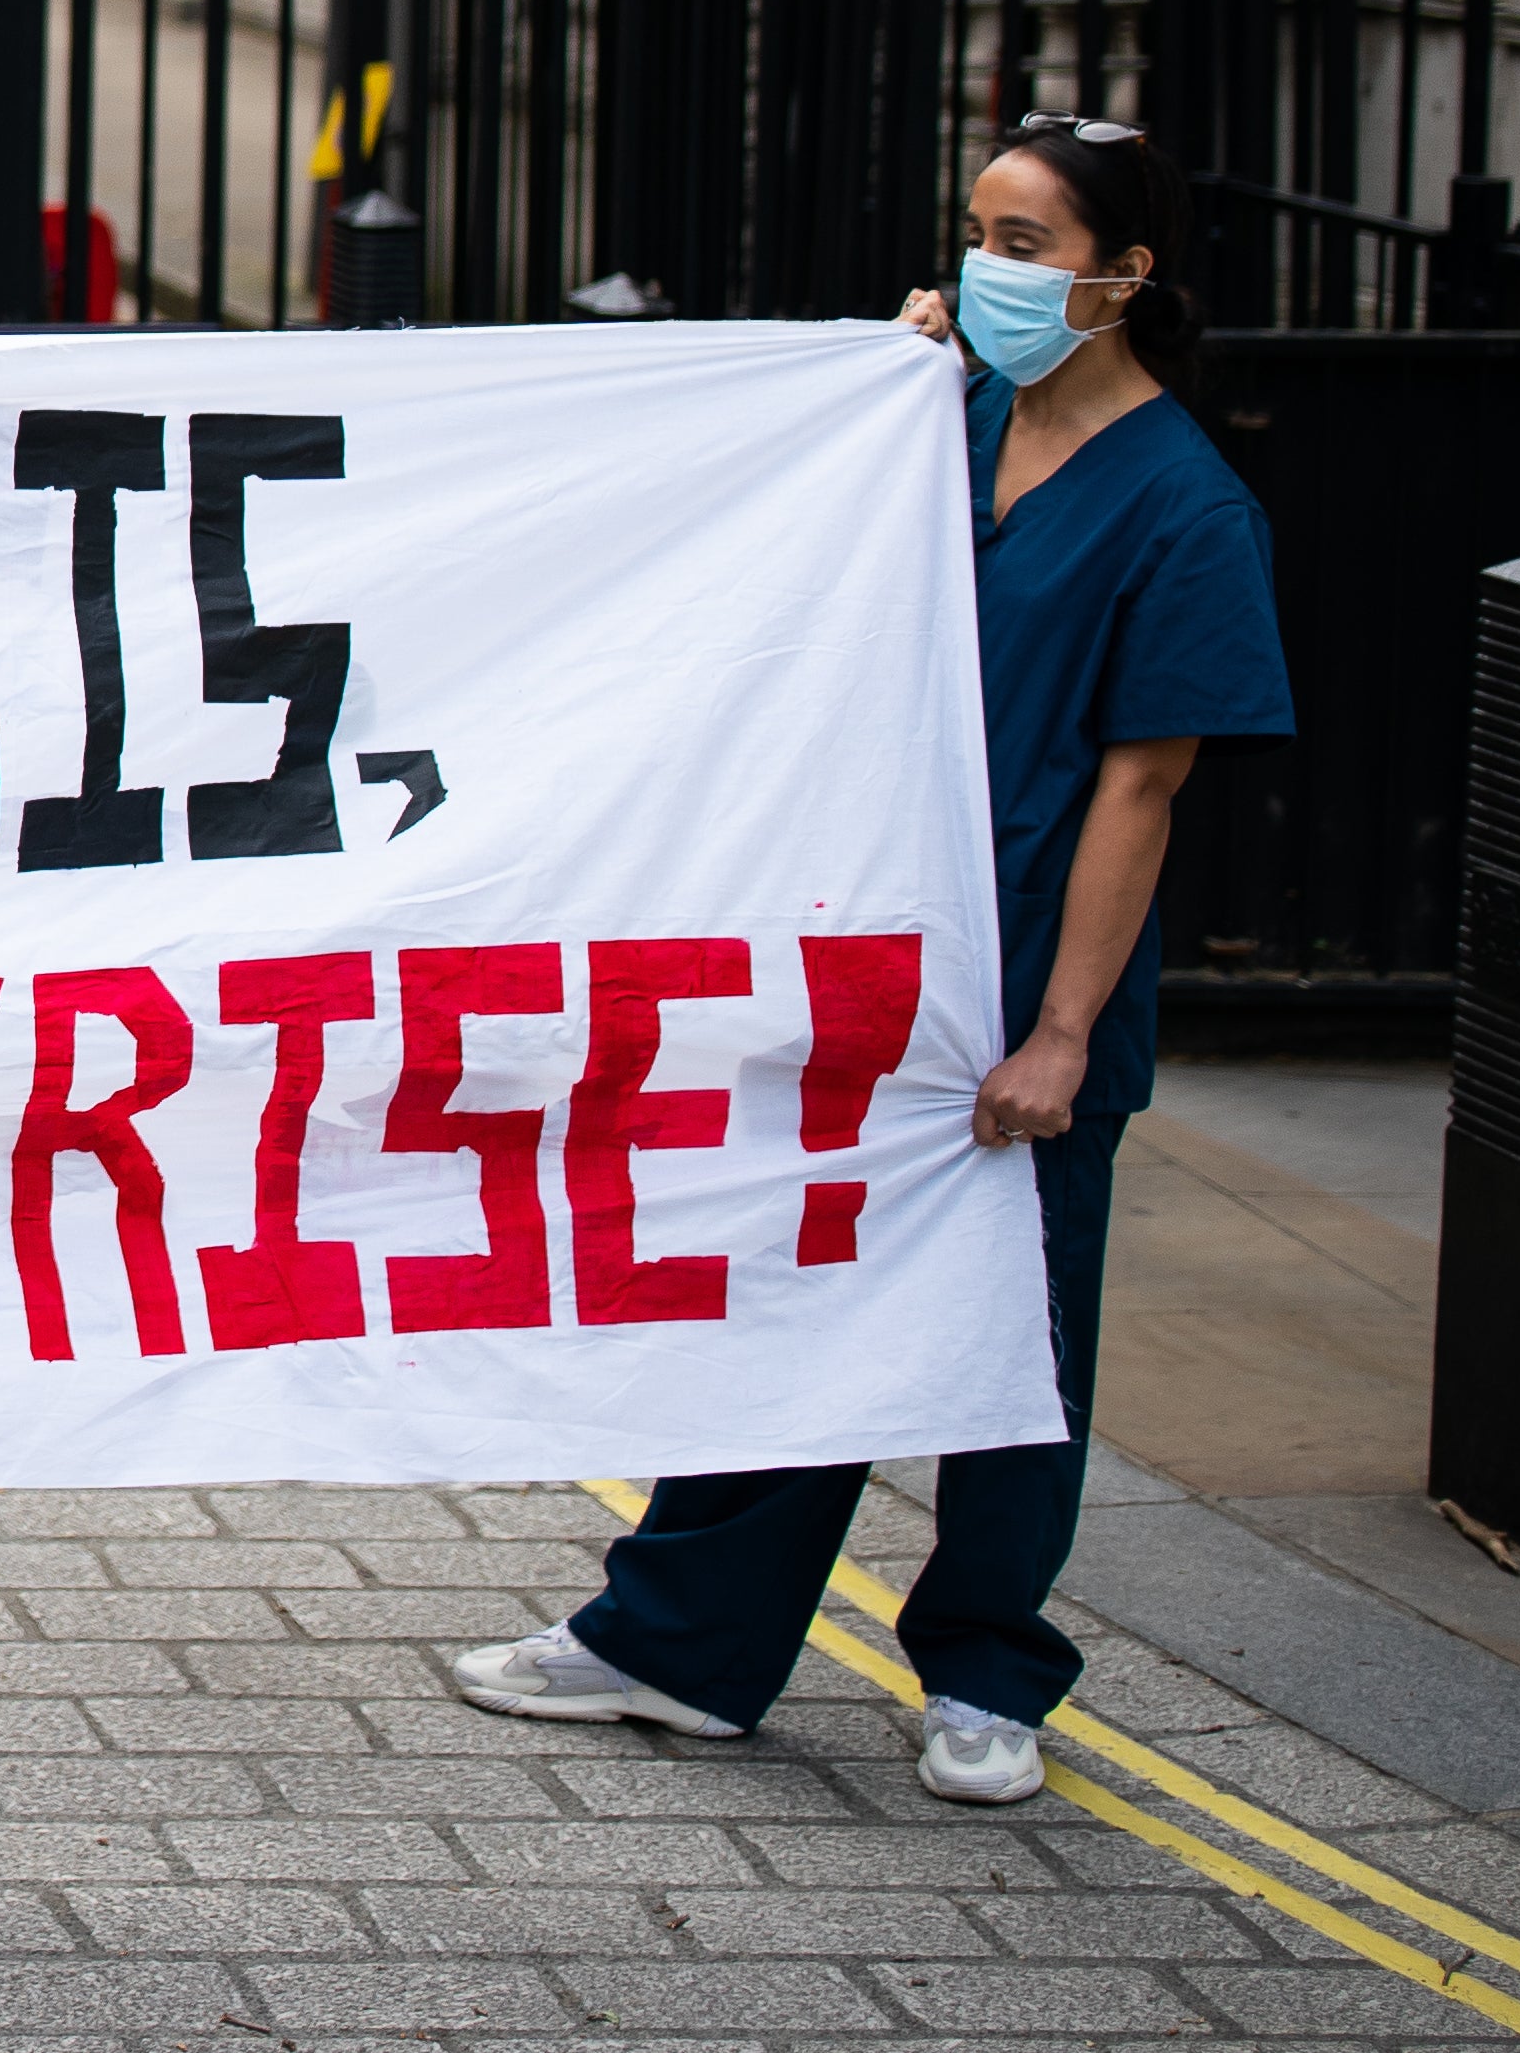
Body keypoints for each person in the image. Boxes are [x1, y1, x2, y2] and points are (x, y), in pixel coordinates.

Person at [450, 114, 1291, 1806]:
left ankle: (987, 1673)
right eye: (975, 228)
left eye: (1028, 242)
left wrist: (1059, 1036)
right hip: (868, 966)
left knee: (1010, 1343)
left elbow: (1141, 789)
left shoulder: (1185, 508)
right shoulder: (940, 421)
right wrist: (872, 395)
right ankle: (680, 1643)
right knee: (796, 1291)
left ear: (1122, 278)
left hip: (1027, 980)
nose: (985, 266)